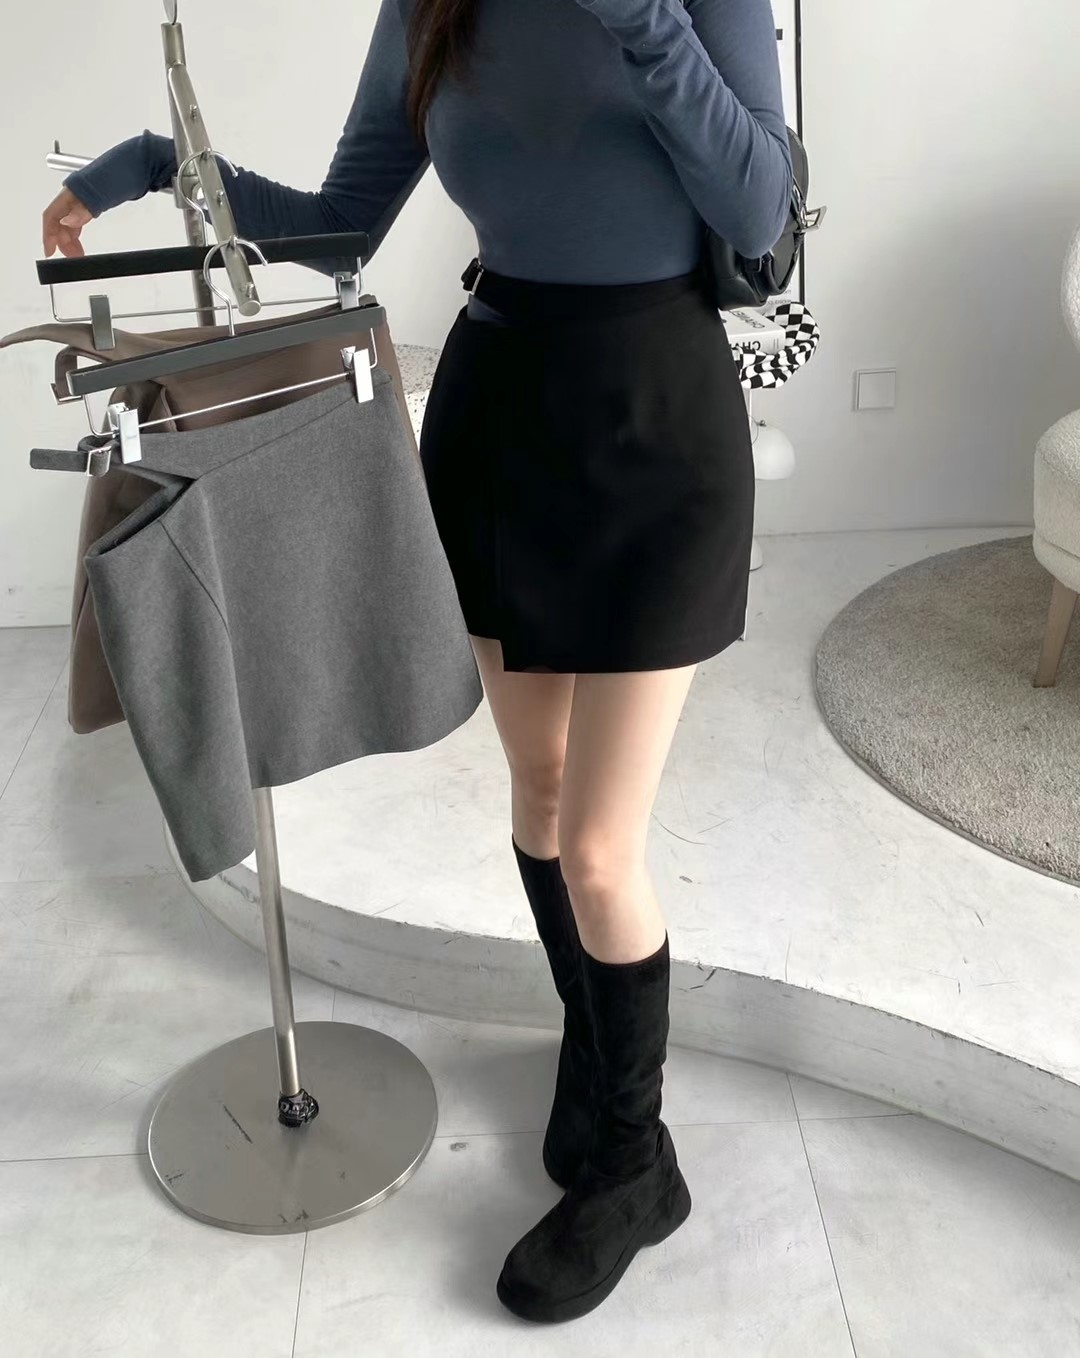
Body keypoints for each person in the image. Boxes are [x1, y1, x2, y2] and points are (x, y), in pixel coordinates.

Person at [42, 0, 792, 1325]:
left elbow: (759, 208)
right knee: (541, 795)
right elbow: (341, 223)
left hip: (658, 422)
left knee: (602, 845)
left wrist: (643, 21)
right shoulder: (431, 4)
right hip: (498, 416)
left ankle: (636, 1166)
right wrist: (165, 165)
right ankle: (597, 1049)